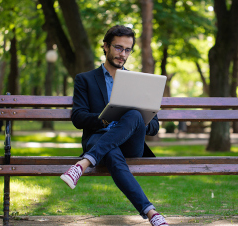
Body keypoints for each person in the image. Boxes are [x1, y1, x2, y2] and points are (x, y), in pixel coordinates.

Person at [60, 25, 169, 226]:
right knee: (110, 151)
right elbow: (78, 117)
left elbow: (154, 127)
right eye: (118, 48)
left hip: (130, 143)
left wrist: (133, 122)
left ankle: (82, 164)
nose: (123, 54)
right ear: (105, 46)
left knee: (135, 114)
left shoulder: (139, 82)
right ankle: (152, 213)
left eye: (128, 50)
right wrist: (105, 119)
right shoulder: (85, 79)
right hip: (98, 137)